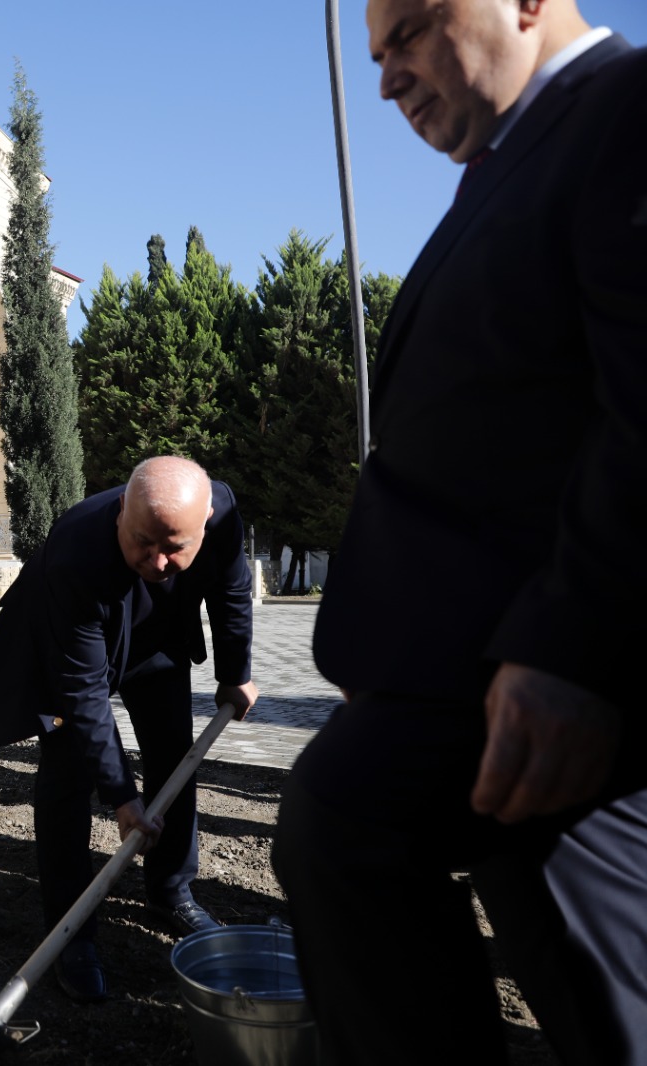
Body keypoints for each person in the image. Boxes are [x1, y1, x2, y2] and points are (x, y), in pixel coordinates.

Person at [271, 1, 647, 1062]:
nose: (386, 78)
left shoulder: (622, 110)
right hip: (489, 690)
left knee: (341, 826)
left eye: (411, 32)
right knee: (603, 979)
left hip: (543, 675)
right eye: (376, 54)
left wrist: (572, 647)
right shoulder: (514, 161)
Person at [0, 457, 257, 1003]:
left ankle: (171, 889)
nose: (157, 559)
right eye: (143, 542)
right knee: (67, 771)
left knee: (175, 752)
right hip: (78, 634)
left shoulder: (221, 513)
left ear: (206, 523)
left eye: (175, 546)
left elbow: (230, 592)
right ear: (121, 512)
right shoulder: (76, 552)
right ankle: (72, 934)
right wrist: (123, 797)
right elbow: (82, 696)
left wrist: (235, 675)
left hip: (158, 636)